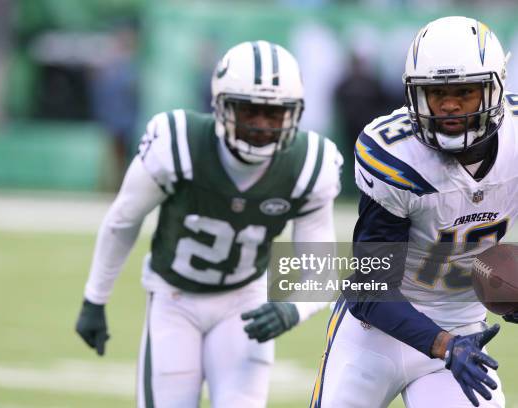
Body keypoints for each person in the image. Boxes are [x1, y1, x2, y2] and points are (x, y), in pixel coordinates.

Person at [75, 41, 343, 407]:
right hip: (174, 298)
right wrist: (95, 298)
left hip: (244, 300)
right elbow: (124, 219)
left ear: (293, 114)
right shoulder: (178, 142)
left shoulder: (309, 164)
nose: (262, 125)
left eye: (274, 113)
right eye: (250, 110)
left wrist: (292, 308)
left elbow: (321, 270)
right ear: (222, 106)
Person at [311, 16, 518, 408]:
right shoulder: (395, 154)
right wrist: (444, 346)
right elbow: (369, 289)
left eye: (465, 92)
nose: (450, 105)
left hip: (462, 328)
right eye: (436, 93)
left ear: (494, 89)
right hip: (376, 332)